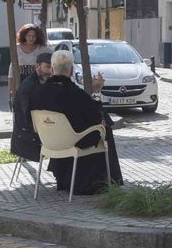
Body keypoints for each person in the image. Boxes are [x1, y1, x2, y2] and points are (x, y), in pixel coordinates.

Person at [26, 48, 122, 195]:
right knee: (105, 129)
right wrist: (96, 92)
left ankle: (63, 178)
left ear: (52, 69)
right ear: (71, 71)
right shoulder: (77, 94)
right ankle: (104, 181)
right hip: (73, 141)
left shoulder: (37, 93)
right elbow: (95, 117)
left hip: (48, 141)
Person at [9, 50, 52, 164]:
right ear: (37, 66)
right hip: (28, 136)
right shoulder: (30, 87)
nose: (50, 71)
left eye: (52, 67)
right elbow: (28, 117)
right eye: (47, 67)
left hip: (34, 131)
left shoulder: (42, 82)